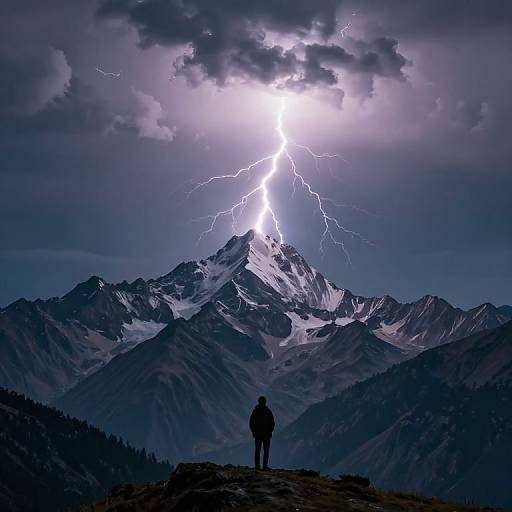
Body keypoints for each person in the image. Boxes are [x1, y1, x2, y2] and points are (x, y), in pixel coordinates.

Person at [249, 396, 275, 470]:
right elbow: (272, 423)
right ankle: (265, 466)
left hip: (258, 435)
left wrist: (254, 432)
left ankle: (257, 466)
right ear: (265, 402)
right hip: (266, 435)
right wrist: (270, 431)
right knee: (266, 451)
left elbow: (251, 423)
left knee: (258, 450)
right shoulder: (268, 411)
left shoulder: (255, 411)